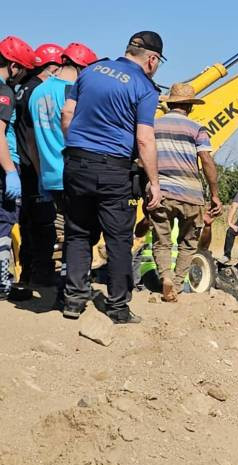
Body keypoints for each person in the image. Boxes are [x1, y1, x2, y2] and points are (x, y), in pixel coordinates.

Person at [59, 31, 164, 323]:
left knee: (78, 232)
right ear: (152, 60)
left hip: (76, 162)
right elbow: (144, 140)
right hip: (114, 170)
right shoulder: (145, 87)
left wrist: (79, 147)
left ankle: (74, 300)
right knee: (118, 239)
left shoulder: (90, 71)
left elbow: (67, 115)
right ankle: (118, 308)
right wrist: (154, 183)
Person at [27, 43, 98, 293]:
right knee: (79, 234)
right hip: (72, 171)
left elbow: (34, 137)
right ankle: (74, 285)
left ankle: (66, 280)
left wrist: (41, 174)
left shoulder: (38, 91)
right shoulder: (72, 91)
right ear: (81, 67)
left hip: (48, 174)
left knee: (67, 231)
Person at [149, 83, 221, 302]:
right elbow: (206, 160)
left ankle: (165, 278)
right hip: (191, 195)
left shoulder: (153, 126)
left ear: (169, 103)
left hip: (160, 192)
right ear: (190, 106)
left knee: (161, 241)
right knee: (188, 243)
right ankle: (178, 285)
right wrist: (215, 193)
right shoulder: (197, 129)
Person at [12, 42, 62, 294]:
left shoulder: (22, 89)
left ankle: (29, 273)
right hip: (33, 166)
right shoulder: (38, 92)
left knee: (29, 222)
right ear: (51, 67)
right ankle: (42, 275)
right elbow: (33, 135)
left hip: (23, 165)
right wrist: (43, 169)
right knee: (43, 224)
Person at [0, 36, 35, 300]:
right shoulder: (4, 92)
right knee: (4, 223)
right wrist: (10, 170)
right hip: (4, 165)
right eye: (22, 69)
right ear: (13, 65)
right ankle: (2, 282)